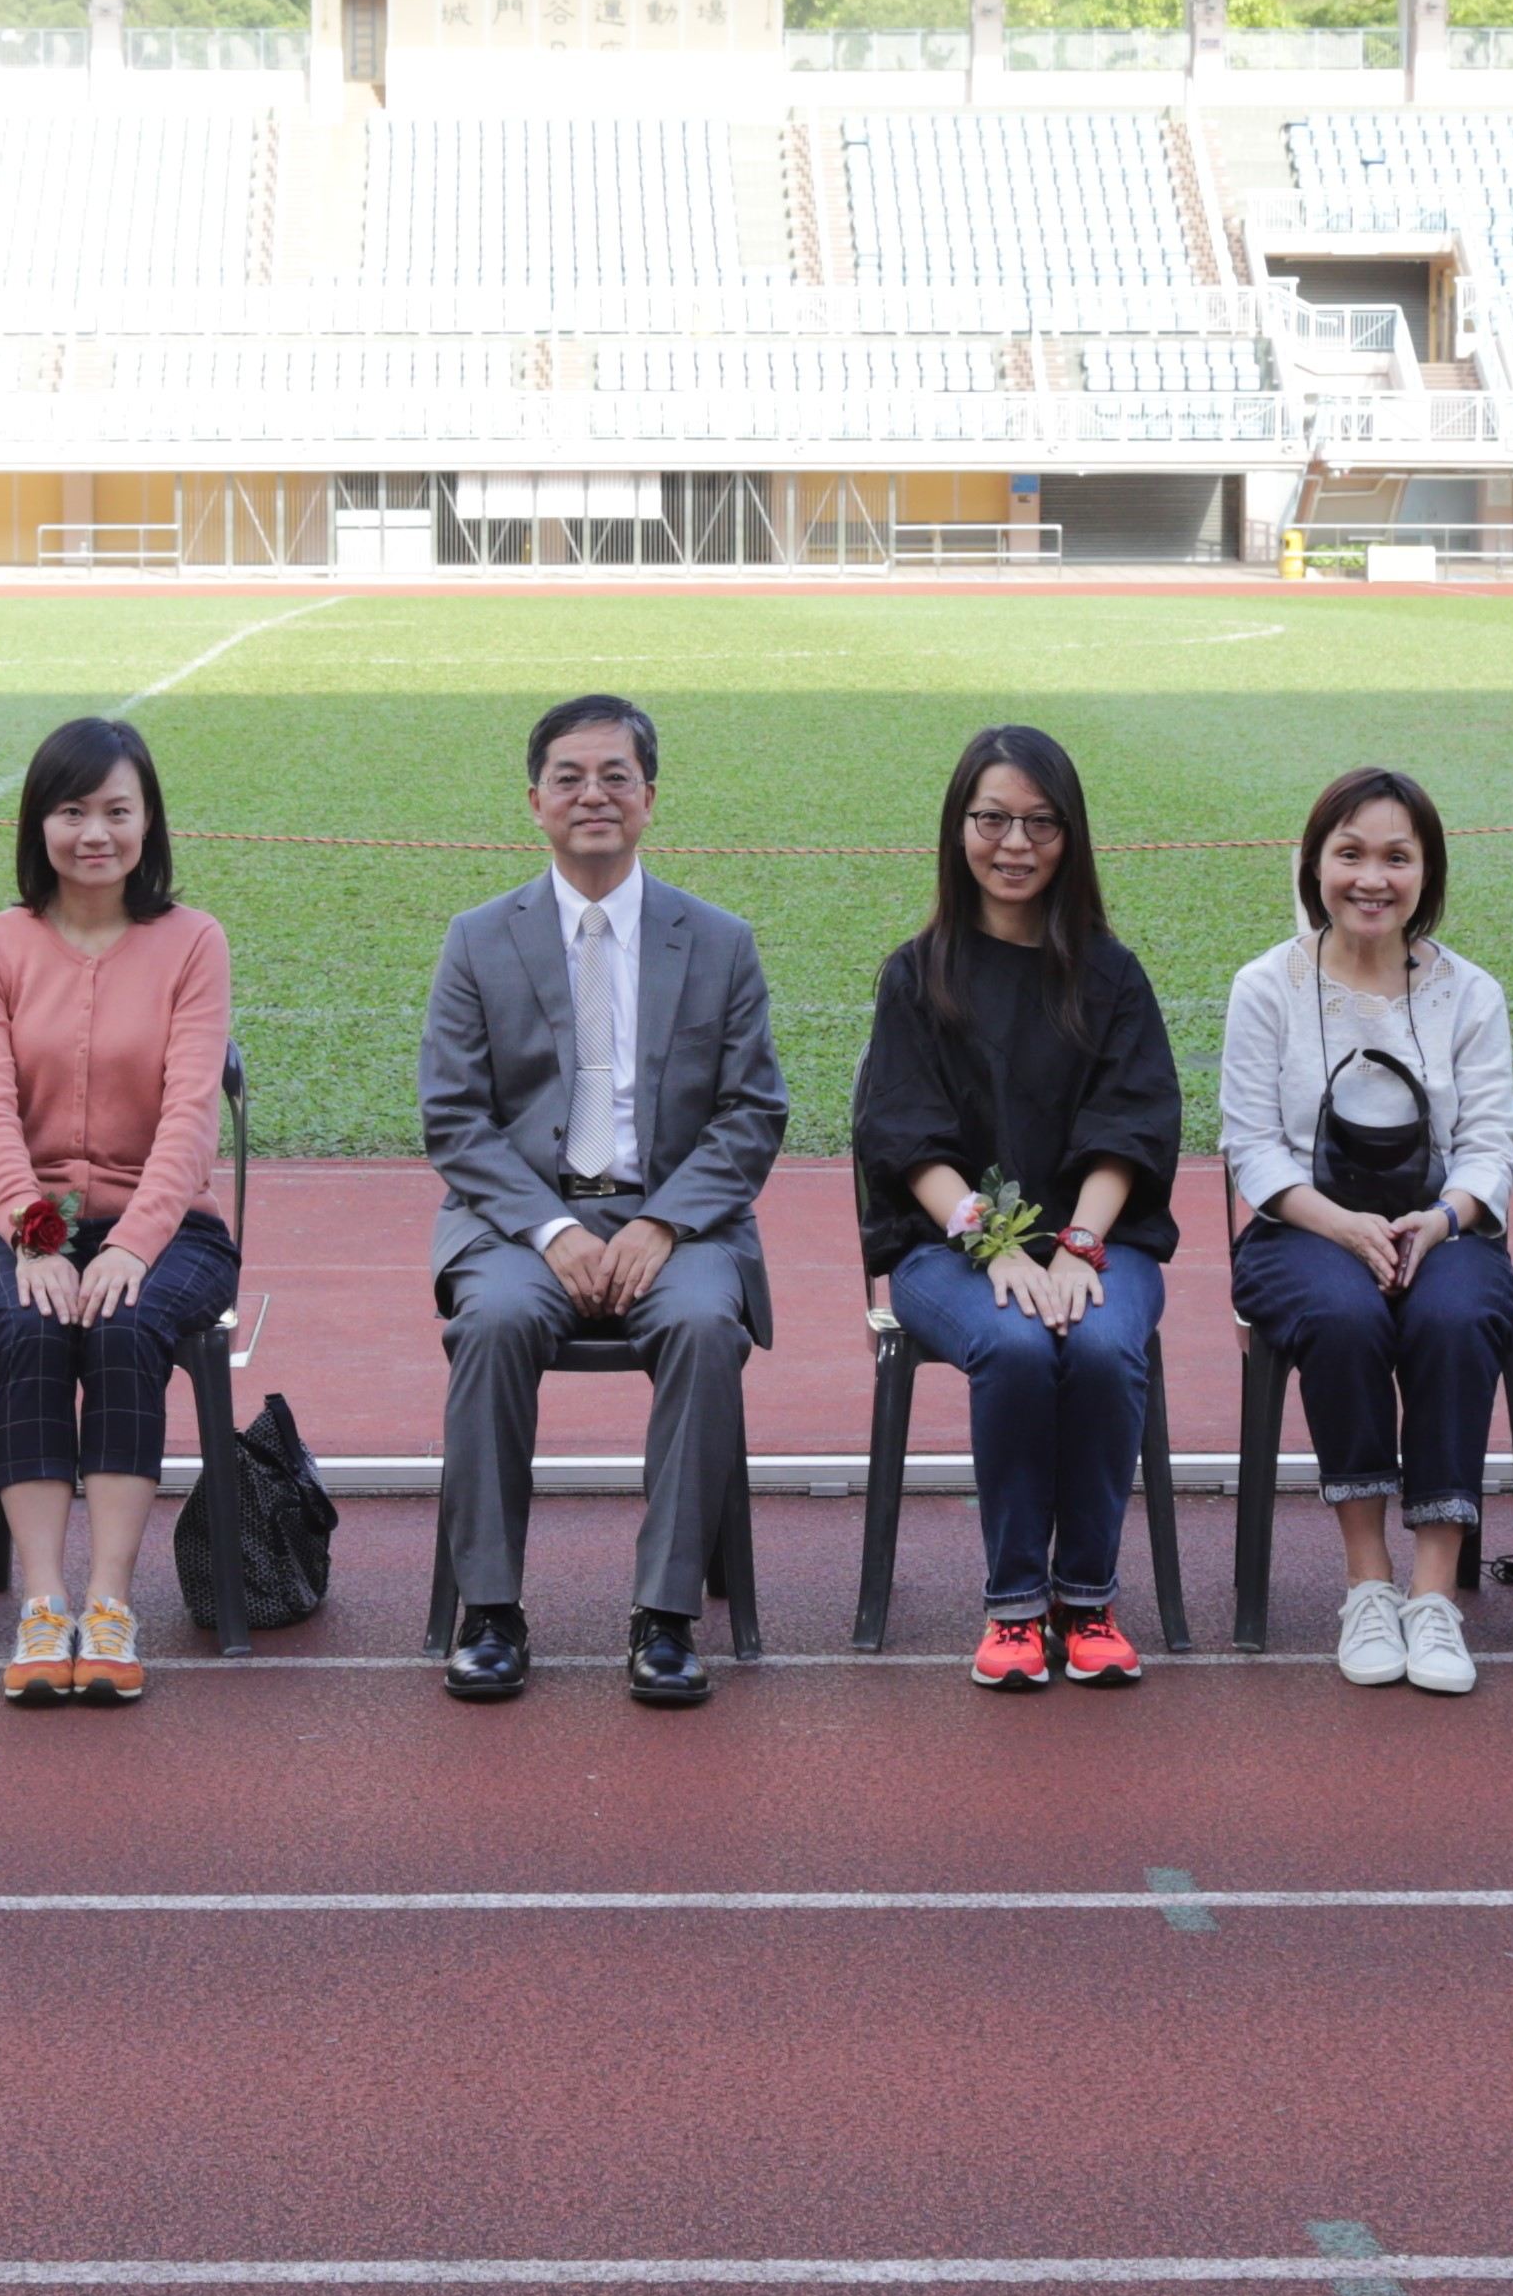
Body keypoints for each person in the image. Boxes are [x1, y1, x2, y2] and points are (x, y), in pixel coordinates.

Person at [421, 690, 790, 1711]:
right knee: (493, 1322)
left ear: (650, 798)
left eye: (615, 777)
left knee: (705, 1324)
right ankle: (490, 1611)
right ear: (535, 802)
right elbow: (454, 1118)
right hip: (520, 1224)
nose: (594, 796)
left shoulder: (717, 940)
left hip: (676, 1218)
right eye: (569, 778)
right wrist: (549, 1229)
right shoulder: (477, 939)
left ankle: (665, 1618)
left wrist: (662, 1222)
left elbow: (753, 1111)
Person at [854, 725, 1186, 1692]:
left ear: (1070, 835)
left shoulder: (1110, 975)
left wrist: (1078, 1246)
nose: (1015, 844)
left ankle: (1086, 1599)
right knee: (1013, 1343)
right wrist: (995, 1245)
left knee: (1099, 1344)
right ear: (958, 827)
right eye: (992, 818)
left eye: (1041, 823)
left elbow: (1131, 1126)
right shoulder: (918, 975)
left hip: (1099, 1241)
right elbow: (906, 1137)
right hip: (947, 1249)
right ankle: (1013, 1606)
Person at [0, 716, 237, 1705]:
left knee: (121, 1324)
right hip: (19, 1226)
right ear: (39, 823)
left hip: (171, 1228)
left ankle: (108, 1604)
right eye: (72, 812)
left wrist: (134, 1246)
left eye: (117, 810)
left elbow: (192, 1115)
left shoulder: (193, 942)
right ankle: (43, 1603)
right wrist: (38, 1238)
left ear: (149, 822)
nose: (95, 833)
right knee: (30, 1326)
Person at [1219, 766, 1513, 1698]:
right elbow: (1251, 1146)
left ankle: (1433, 1595)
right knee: (1344, 1316)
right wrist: (1343, 1226)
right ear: (1315, 866)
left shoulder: (1470, 992)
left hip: (1446, 1229)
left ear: (1426, 873)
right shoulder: (1266, 986)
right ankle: (1368, 1583)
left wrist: (1442, 1218)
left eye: (1397, 857)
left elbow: (1492, 1142)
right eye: (1349, 854)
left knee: (1454, 1317)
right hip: (1302, 1230)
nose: (1372, 878)